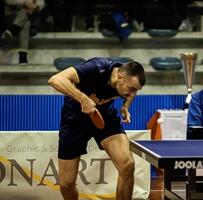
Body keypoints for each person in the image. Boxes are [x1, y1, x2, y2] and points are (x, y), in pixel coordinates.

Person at [48, 57, 146, 200]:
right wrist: (83, 99)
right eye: (131, 89)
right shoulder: (95, 68)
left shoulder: (126, 81)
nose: (132, 93)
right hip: (74, 120)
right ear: (119, 77)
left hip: (105, 117)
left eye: (135, 90)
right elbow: (55, 79)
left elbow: (132, 90)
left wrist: (126, 105)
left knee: (127, 165)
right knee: (66, 184)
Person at [2, 0, 45, 64]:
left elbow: (41, 2)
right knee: (26, 22)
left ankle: (12, 30)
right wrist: (25, 2)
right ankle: (23, 56)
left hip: (30, 16)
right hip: (12, 17)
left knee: (26, 20)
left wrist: (35, 6)